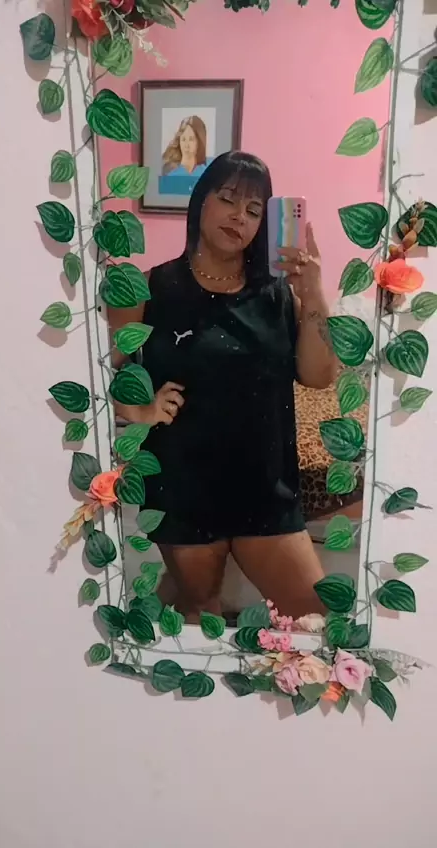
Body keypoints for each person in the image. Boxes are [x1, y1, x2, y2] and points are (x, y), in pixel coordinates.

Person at [109, 151, 337, 622]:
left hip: (265, 489)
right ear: (201, 202)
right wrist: (136, 410)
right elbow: (94, 372)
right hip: (183, 486)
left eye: (254, 210)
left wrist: (313, 290)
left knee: (317, 620)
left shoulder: (276, 294)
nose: (239, 217)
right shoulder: (151, 289)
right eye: (228, 199)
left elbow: (320, 376)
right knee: (202, 613)